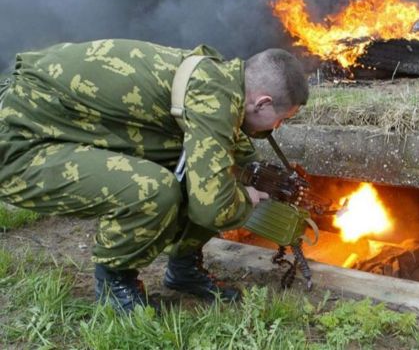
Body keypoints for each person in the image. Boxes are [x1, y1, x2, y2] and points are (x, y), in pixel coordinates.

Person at [0, 39, 309, 312]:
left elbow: (228, 150)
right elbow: (212, 207)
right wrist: (245, 199)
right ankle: (114, 285)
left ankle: (184, 269)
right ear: (263, 102)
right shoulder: (215, 99)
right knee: (155, 190)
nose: (277, 127)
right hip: (20, 141)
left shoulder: (219, 80)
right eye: (281, 118)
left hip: (62, 127)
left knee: (206, 172)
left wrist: (259, 175)